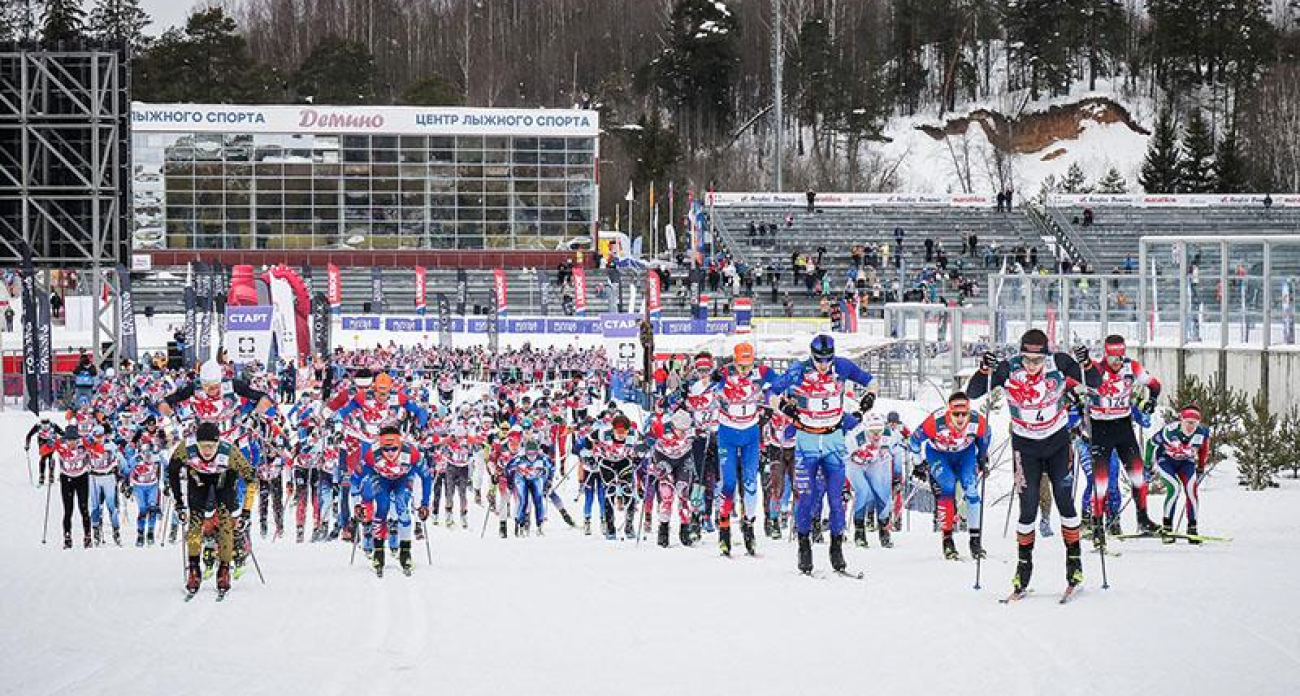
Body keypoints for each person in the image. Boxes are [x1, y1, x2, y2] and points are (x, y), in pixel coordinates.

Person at [967, 329, 1100, 598]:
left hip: (1057, 443)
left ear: (1046, 356)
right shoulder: (1008, 369)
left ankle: (1074, 565)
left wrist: (1086, 363)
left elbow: (1095, 381)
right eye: (1026, 358)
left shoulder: (1059, 363)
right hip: (1025, 447)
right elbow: (972, 392)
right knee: (1027, 507)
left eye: (1037, 360)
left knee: (1064, 501)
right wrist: (984, 371)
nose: (1031, 365)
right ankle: (1023, 569)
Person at [768, 334, 877, 575]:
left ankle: (836, 548)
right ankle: (804, 546)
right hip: (806, 440)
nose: (824, 364)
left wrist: (869, 398)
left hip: (833, 440)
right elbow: (771, 392)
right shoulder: (798, 370)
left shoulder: (842, 366)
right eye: (819, 359)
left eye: (828, 359)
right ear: (812, 355)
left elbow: (871, 381)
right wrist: (783, 407)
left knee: (836, 500)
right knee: (806, 498)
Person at [169, 422, 259, 599]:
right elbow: (172, 472)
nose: (207, 451)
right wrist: (178, 502)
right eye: (203, 446)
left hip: (224, 479)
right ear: (196, 443)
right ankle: (194, 568)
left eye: (211, 446)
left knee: (225, 521)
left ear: (218, 443)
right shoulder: (186, 448)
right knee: (195, 521)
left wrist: (246, 511)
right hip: (198, 479)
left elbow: (251, 478)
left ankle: (224, 568)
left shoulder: (229, 452)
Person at [1086, 334, 1162, 542]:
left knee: (1138, 476)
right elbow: (1070, 383)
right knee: (1101, 481)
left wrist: (1151, 401)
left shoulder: (1131, 367)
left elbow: (1155, 385)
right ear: (1105, 354)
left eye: (1120, 356)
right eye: (1112, 357)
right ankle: (1097, 524)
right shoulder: (1095, 369)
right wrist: (1075, 399)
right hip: (1100, 428)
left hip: (1123, 426)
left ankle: (1143, 519)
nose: (1117, 361)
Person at [909, 393, 990, 559]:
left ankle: (975, 541)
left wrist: (982, 457)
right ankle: (947, 540)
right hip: (938, 454)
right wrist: (918, 463)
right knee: (948, 485)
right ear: (949, 412)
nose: (960, 418)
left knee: (971, 488)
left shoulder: (977, 421)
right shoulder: (935, 422)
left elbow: (985, 436)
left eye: (964, 414)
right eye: (956, 414)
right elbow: (914, 440)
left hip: (964, 454)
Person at [713, 342, 773, 556]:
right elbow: (712, 379)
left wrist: (776, 396)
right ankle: (724, 530)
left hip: (750, 435)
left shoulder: (761, 372)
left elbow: (781, 382)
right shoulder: (725, 373)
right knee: (728, 483)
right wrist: (715, 379)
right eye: (741, 366)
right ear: (734, 362)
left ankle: (748, 526)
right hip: (727, 434)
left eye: (748, 366)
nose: (745, 370)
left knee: (750, 484)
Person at [360, 425, 432, 576]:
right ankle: (378, 552)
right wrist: (362, 504)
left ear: (400, 444)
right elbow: (358, 477)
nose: (390, 453)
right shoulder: (372, 453)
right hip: (381, 479)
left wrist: (425, 503)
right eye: (386, 449)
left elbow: (426, 477)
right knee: (382, 506)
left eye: (394, 448)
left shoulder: (412, 452)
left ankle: (405, 553)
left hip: (403, 479)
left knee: (402, 506)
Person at [1147, 405, 1211, 543]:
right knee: (1174, 488)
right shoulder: (1169, 431)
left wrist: (1201, 466)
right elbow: (1150, 444)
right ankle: (1167, 527)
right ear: (1181, 420)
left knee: (1192, 491)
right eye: (1188, 422)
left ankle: (1192, 528)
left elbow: (1204, 449)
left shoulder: (1202, 432)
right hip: (1166, 461)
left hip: (1186, 463)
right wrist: (1147, 465)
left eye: (1194, 423)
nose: (1191, 426)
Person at [845, 412, 896, 549]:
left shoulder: (888, 435)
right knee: (864, 492)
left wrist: (896, 475)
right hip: (855, 463)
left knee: (882, 492)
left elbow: (894, 454)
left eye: (879, 431)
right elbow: (844, 456)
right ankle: (859, 532)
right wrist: (857, 457)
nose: (876, 435)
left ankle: (884, 531)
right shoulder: (856, 436)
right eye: (872, 431)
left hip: (875, 461)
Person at [53, 426, 92, 549]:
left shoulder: (83, 445)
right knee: (68, 510)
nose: (72, 442)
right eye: (69, 440)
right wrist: (49, 445)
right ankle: (67, 537)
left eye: (74, 439)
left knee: (84, 508)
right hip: (66, 479)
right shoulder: (60, 445)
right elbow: (43, 452)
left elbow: (97, 449)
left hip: (82, 478)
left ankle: (87, 536)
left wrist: (88, 442)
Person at [25, 418, 64, 487]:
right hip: (42, 441)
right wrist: (27, 444)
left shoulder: (54, 425)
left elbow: (63, 434)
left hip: (51, 440)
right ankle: (42, 475)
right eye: (43, 426)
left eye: (47, 426)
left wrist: (62, 441)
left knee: (51, 457)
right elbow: (29, 435)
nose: (45, 428)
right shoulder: (37, 426)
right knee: (43, 457)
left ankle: (51, 474)